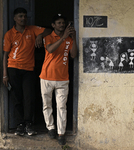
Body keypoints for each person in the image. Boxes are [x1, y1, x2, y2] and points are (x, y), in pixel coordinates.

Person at [3, 7, 52, 136]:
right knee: (17, 97)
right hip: (13, 68)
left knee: (29, 97)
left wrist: (40, 35)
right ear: (14, 18)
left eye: (24, 16)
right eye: (20, 16)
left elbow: (49, 30)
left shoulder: (32, 29)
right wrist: (4, 74)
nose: (23, 18)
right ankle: (20, 125)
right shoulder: (9, 34)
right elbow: (5, 55)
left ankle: (29, 124)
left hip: (29, 69)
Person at [39, 14, 77, 145]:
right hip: (46, 77)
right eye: (58, 23)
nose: (61, 25)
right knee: (47, 105)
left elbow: (73, 55)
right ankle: (50, 128)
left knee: (61, 107)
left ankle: (61, 133)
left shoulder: (69, 40)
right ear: (53, 25)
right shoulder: (48, 37)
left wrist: (74, 38)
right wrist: (63, 38)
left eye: (63, 23)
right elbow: (50, 49)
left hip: (62, 79)